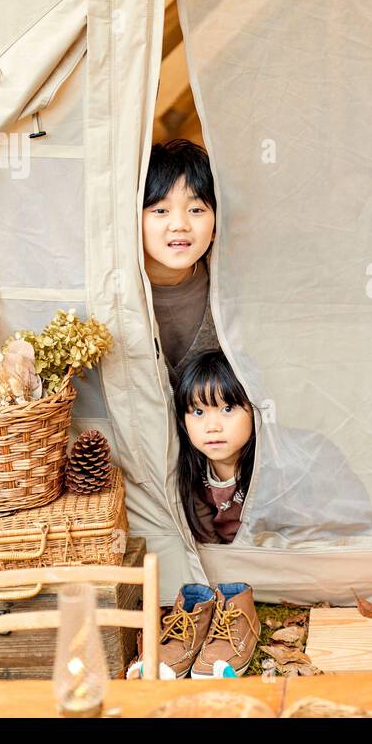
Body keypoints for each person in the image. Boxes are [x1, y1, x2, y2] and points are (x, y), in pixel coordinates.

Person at [142, 139, 218, 386]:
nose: (180, 225)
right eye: (160, 210)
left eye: (196, 210)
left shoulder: (230, 287)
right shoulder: (112, 294)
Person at [174, 348, 254, 545]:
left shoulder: (270, 465)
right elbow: (206, 537)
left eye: (227, 409)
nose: (212, 427)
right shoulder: (193, 472)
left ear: (254, 410)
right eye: (198, 412)